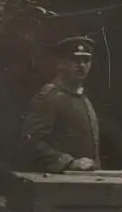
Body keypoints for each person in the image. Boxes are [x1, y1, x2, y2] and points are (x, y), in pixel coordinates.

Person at [21, 36, 109, 173]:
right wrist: (69, 162)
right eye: (75, 60)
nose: (82, 65)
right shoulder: (49, 97)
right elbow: (31, 143)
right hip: (56, 182)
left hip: (84, 181)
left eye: (86, 60)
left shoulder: (83, 99)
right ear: (61, 64)